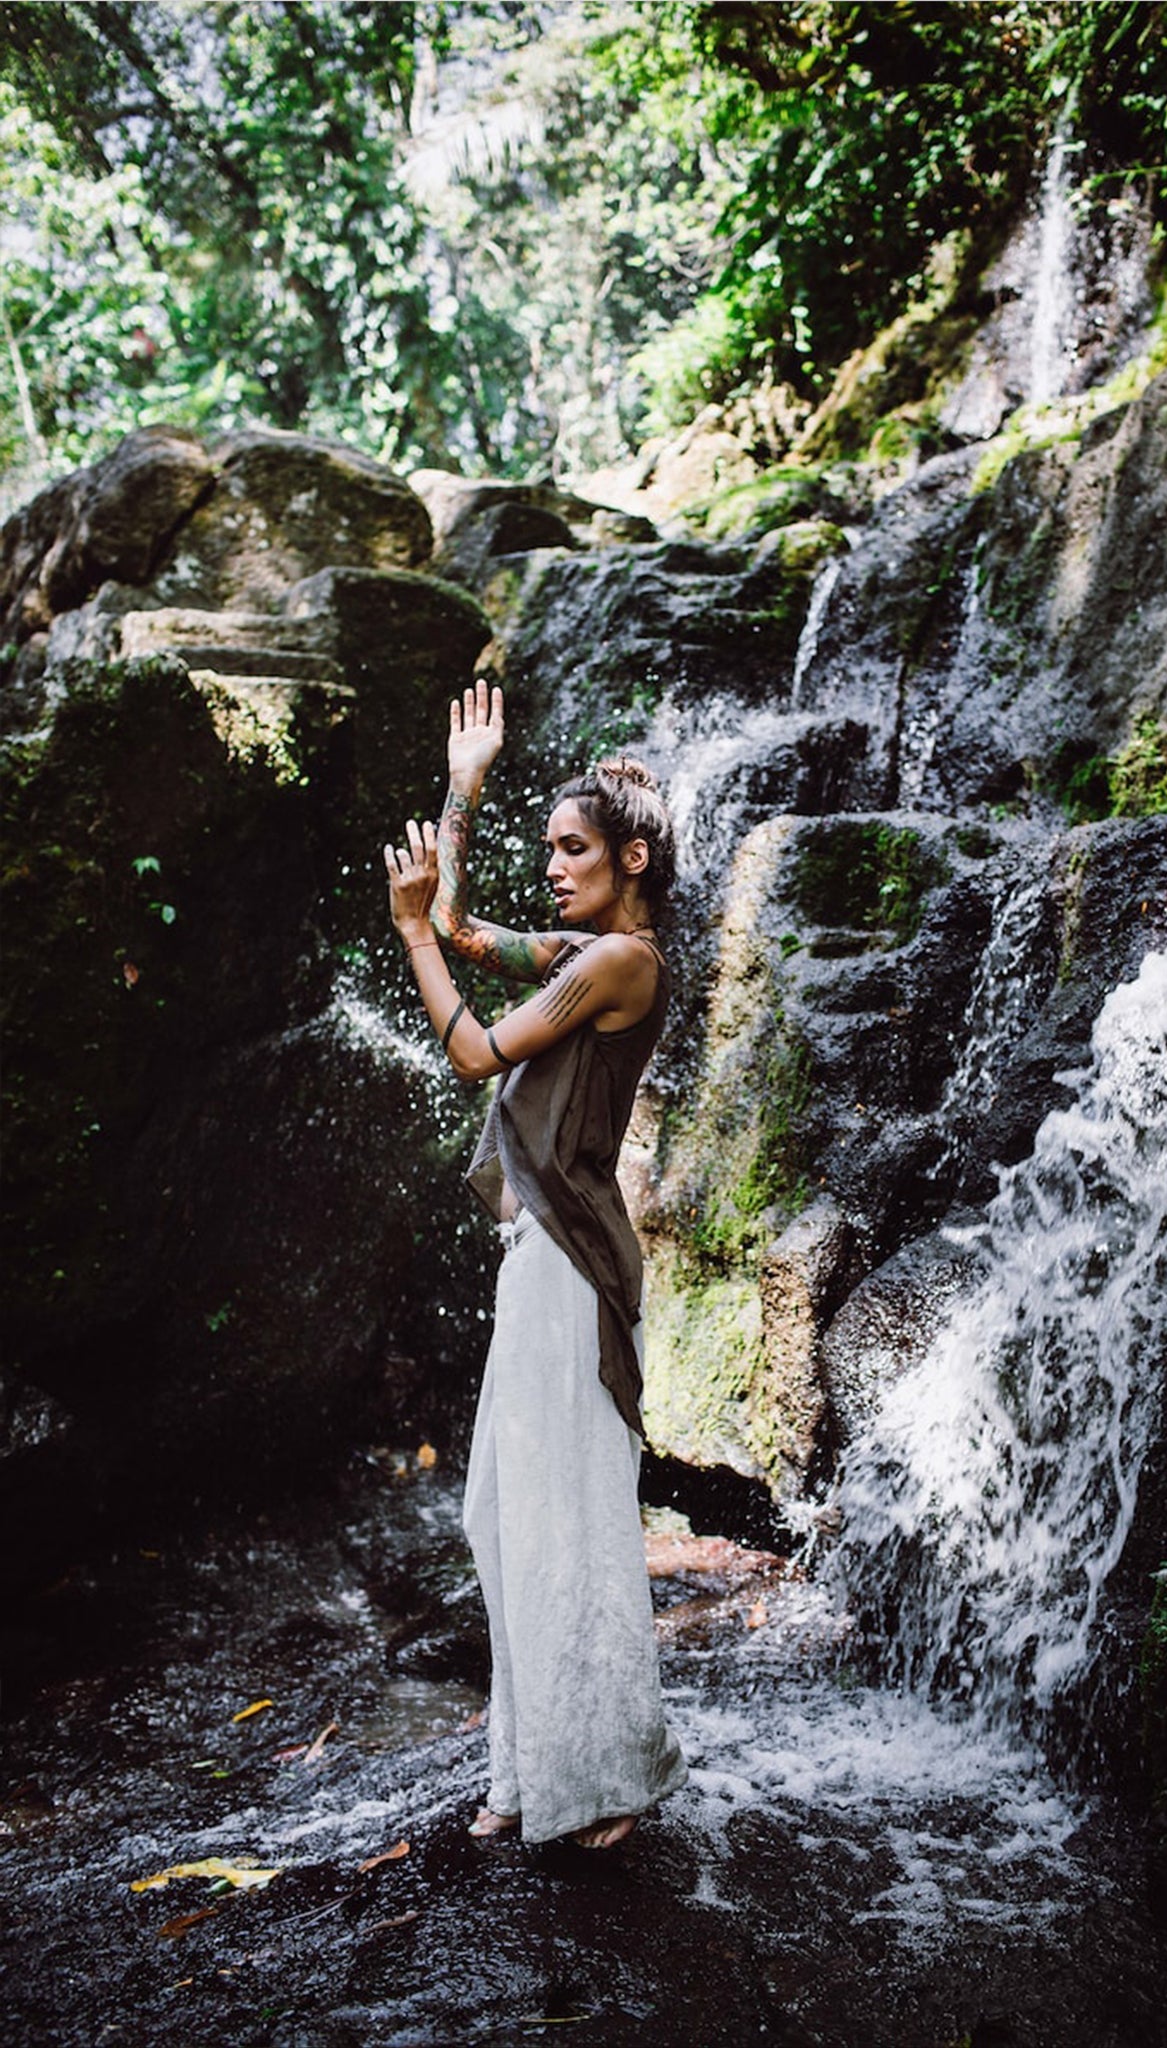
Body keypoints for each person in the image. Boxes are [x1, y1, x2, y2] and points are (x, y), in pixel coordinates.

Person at [383, 678, 687, 1850]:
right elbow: (468, 931)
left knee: (568, 1514)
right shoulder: (587, 950)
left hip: (572, 1266)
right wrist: (464, 789)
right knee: (503, 1509)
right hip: (541, 1255)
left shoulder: (622, 966)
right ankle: (526, 1769)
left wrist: (411, 932)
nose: (553, 864)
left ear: (633, 855)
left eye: (574, 848)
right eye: (552, 845)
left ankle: (606, 1775)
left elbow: (469, 1048)